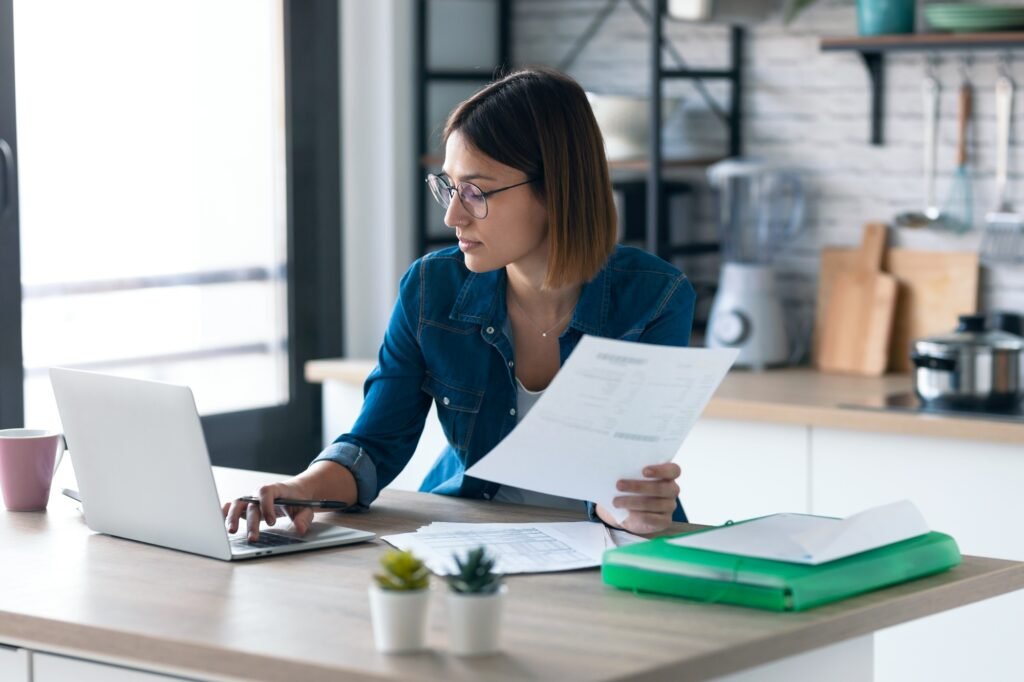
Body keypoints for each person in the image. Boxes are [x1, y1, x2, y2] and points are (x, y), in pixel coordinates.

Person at [223, 67, 695, 542]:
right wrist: (297, 490)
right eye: (449, 186)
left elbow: (623, 481)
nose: (452, 215)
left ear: (555, 189)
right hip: (468, 538)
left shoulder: (655, 298)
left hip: (605, 546)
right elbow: (373, 446)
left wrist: (630, 509)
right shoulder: (431, 288)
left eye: (476, 191)